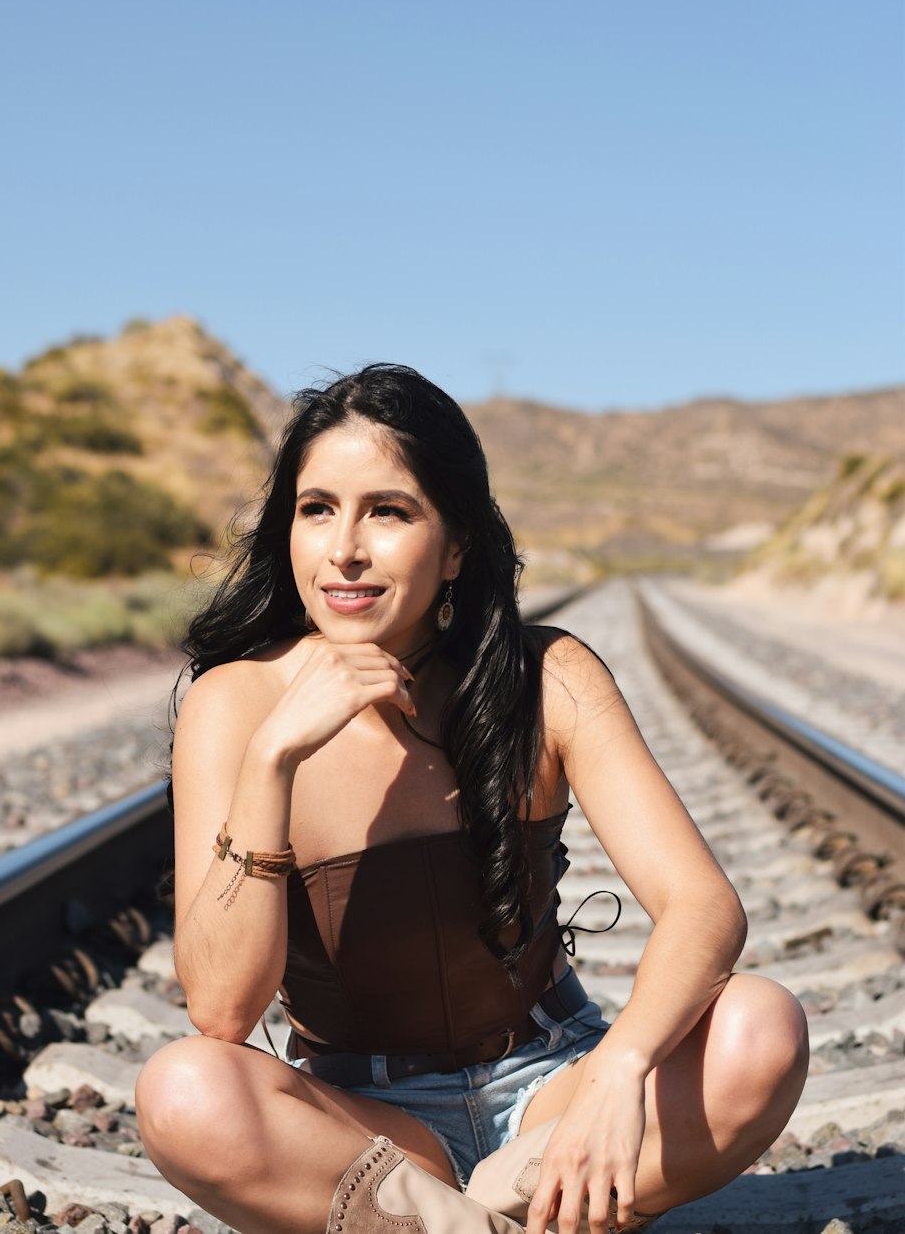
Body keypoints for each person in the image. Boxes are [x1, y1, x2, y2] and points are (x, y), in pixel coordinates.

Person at [135, 364, 808, 1234]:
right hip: (367, 1130)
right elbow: (222, 1009)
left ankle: (462, 1216)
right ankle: (476, 1221)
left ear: (455, 545)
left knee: (761, 1027)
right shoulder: (233, 706)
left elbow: (702, 905)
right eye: (317, 508)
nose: (345, 547)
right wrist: (273, 760)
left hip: (552, 1093)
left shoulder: (546, 677)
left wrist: (619, 1073)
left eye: (389, 510)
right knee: (183, 1091)